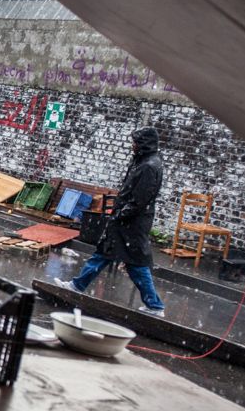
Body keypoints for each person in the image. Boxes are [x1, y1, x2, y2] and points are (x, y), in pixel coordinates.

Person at [62, 127, 167, 313]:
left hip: (131, 224)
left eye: (135, 142)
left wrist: (120, 215)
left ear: (143, 144)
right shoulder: (142, 162)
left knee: (136, 264)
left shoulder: (149, 166)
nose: (132, 146)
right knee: (103, 253)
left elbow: (139, 200)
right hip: (124, 222)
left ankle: (155, 305)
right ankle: (78, 284)